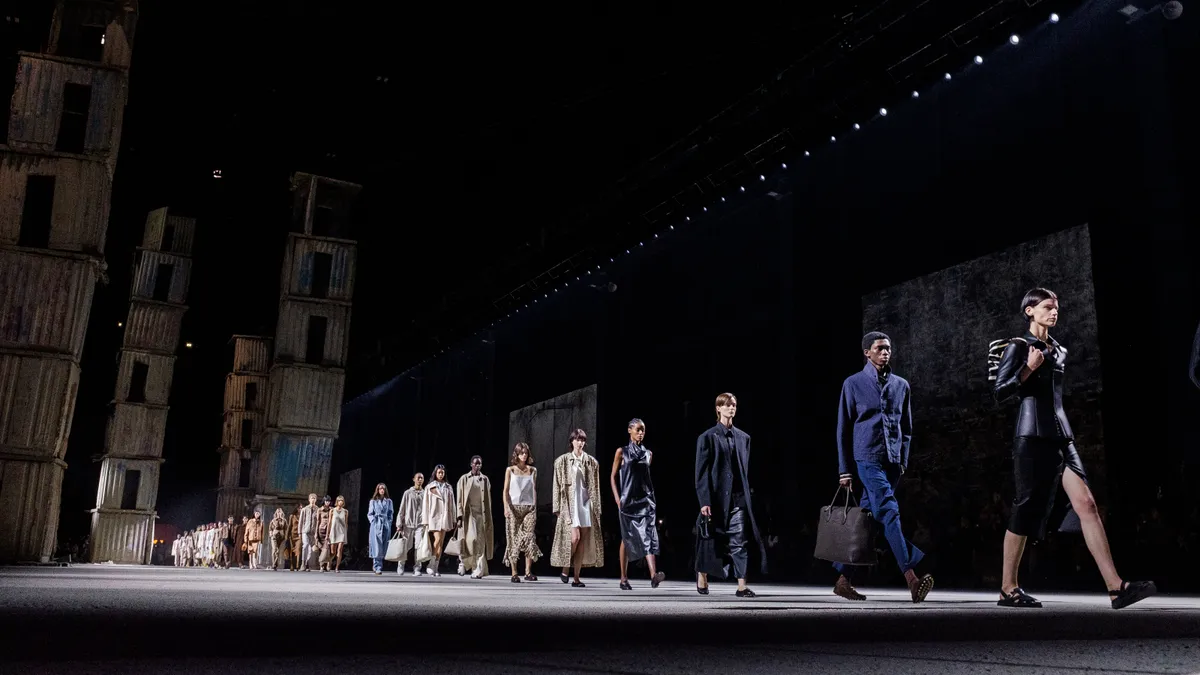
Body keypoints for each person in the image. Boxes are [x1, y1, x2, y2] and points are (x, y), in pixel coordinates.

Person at [993, 288, 1156, 609]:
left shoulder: (1059, 350)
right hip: (1032, 436)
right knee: (1025, 507)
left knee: (1087, 504)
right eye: (1047, 307)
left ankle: (1116, 587)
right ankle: (1007, 588)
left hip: (1061, 437)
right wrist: (1027, 369)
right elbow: (999, 392)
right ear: (1030, 311)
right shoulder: (1019, 346)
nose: (1054, 312)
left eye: (1056, 308)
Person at [832, 332, 933, 603]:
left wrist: (902, 460)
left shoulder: (901, 385)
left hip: (891, 462)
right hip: (866, 458)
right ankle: (911, 577)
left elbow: (907, 428)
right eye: (879, 348)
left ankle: (843, 579)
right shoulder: (852, 384)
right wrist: (845, 470)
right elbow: (843, 428)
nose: (885, 352)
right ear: (867, 352)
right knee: (889, 511)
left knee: (870, 521)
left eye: (888, 348)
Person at [695, 392, 764, 597]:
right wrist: (704, 500)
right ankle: (702, 574)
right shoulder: (707, 437)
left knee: (740, 540)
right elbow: (701, 473)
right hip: (716, 498)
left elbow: (744, 470)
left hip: (738, 498)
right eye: (726, 405)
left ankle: (742, 585)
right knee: (711, 539)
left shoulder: (744, 438)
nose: (731, 408)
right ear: (718, 409)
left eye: (733, 405)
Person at [612, 419, 664, 590]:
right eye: (638, 430)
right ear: (629, 430)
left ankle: (653, 575)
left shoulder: (648, 454)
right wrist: (617, 498)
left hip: (646, 501)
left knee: (648, 535)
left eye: (643, 430)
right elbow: (612, 476)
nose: (641, 433)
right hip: (627, 501)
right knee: (626, 538)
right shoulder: (622, 452)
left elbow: (645, 479)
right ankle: (623, 577)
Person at [551, 429, 603, 587]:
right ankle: (566, 567)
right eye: (577, 440)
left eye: (582, 440)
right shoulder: (562, 461)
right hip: (570, 504)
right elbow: (557, 485)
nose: (580, 443)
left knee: (582, 541)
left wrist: (597, 508)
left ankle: (576, 578)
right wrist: (557, 507)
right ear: (572, 442)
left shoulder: (591, 462)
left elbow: (596, 486)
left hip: (586, 504)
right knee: (575, 538)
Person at [502, 442, 542, 582]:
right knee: (513, 539)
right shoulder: (510, 470)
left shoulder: (532, 470)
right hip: (514, 507)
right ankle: (514, 573)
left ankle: (528, 572)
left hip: (528, 508)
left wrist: (534, 507)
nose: (524, 455)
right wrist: (506, 508)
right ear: (517, 454)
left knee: (529, 538)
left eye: (526, 453)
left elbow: (534, 489)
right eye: (521, 453)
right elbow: (505, 491)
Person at [455, 456, 495, 579]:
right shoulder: (464, 479)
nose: (478, 466)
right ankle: (463, 563)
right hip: (468, 514)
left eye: (480, 464)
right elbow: (460, 499)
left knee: (480, 542)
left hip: (481, 515)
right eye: (476, 463)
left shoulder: (485, 479)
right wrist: (459, 515)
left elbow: (488, 500)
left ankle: (478, 568)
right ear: (471, 464)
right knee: (469, 540)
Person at [396, 473, 433, 576]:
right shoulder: (407, 493)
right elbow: (402, 509)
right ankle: (401, 564)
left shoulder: (425, 493)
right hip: (408, 523)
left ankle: (417, 568)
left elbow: (428, 509)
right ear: (414, 479)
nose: (420, 480)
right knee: (406, 546)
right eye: (418, 478)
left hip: (420, 524)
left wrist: (427, 523)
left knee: (418, 547)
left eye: (422, 478)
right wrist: (399, 523)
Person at [423, 465, 456, 577]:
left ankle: (436, 567)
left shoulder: (448, 487)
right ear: (435, 473)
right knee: (436, 540)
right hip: (434, 516)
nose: (441, 474)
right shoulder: (430, 487)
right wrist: (425, 520)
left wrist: (454, 518)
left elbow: (452, 504)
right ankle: (431, 564)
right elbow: (425, 505)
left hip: (445, 517)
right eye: (439, 472)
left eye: (442, 472)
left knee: (441, 542)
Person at [366, 483, 394, 575]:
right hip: (376, 524)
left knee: (383, 545)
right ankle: (377, 566)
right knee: (376, 545)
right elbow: (370, 514)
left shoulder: (389, 501)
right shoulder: (373, 501)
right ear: (377, 490)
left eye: (383, 488)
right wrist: (373, 521)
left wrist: (389, 522)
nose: (382, 490)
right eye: (380, 488)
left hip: (385, 524)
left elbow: (391, 513)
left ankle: (378, 564)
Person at [298, 493, 320, 571]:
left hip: (313, 532)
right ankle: (303, 564)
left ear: (316, 500)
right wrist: (299, 532)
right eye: (312, 498)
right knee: (305, 546)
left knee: (311, 550)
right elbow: (301, 521)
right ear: (309, 499)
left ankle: (306, 563)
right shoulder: (304, 509)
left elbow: (318, 521)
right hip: (305, 531)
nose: (313, 500)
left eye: (314, 498)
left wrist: (317, 532)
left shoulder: (318, 510)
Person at [329, 496, 349, 572]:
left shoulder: (346, 511)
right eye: (339, 500)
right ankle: (329, 563)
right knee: (332, 551)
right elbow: (330, 523)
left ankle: (337, 567)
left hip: (342, 532)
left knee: (340, 549)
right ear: (337, 502)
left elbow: (346, 523)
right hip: (333, 531)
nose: (341, 502)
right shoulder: (332, 510)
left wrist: (345, 532)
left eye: (342, 501)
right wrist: (328, 534)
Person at [317, 496, 333, 572]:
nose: (328, 502)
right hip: (322, 530)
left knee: (328, 548)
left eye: (329, 501)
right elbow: (318, 521)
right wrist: (316, 533)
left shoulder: (332, 510)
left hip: (330, 531)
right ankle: (322, 566)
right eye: (326, 501)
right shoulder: (320, 510)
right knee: (322, 549)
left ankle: (328, 564)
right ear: (324, 501)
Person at [288, 505, 302, 571]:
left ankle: (297, 566)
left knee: (298, 550)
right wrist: (287, 535)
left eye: (301, 508)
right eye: (299, 508)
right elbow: (290, 526)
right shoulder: (292, 516)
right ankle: (292, 565)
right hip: (292, 534)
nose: (300, 509)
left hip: (299, 535)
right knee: (292, 550)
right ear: (296, 508)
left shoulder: (302, 516)